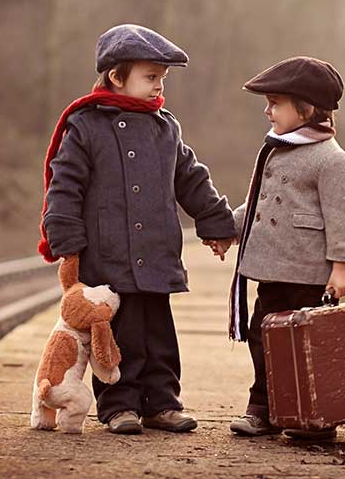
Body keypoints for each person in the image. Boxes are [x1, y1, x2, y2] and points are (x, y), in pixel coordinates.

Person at [38, 24, 236, 435]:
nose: (158, 87)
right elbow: (65, 183)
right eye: (150, 77)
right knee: (116, 337)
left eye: (162, 78)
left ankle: (163, 403)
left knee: (159, 336)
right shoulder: (86, 127)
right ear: (116, 76)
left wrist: (215, 222)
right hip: (107, 256)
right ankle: (119, 405)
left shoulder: (165, 127)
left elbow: (191, 178)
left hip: (156, 252)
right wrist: (67, 243)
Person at [206, 56, 345, 440]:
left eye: (275, 102)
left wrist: (341, 267)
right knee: (263, 335)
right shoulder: (276, 150)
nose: (267, 110)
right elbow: (258, 202)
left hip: (311, 276)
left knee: (310, 346)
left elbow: (343, 218)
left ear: (305, 108)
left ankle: (317, 416)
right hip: (272, 269)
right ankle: (264, 407)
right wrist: (230, 230)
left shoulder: (333, 160)